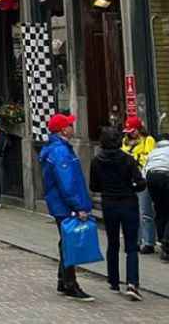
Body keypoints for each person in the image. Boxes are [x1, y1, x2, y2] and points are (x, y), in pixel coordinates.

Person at [38, 113, 95, 302]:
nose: (72, 126)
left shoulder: (58, 148)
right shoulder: (60, 151)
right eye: (70, 124)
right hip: (64, 205)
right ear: (63, 129)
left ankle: (63, 280)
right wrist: (78, 206)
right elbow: (67, 182)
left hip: (60, 203)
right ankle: (70, 283)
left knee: (66, 240)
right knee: (70, 241)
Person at [89, 126, 146, 300]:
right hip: (128, 202)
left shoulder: (97, 161)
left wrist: (106, 188)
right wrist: (133, 187)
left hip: (109, 203)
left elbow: (94, 186)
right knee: (131, 246)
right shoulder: (128, 160)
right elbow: (140, 183)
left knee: (112, 242)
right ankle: (132, 283)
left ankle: (113, 281)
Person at [121, 116, 157, 254]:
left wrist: (136, 161)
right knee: (131, 212)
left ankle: (148, 242)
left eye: (132, 130)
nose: (130, 133)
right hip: (127, 180)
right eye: (128, 131)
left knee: (145, 211)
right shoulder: (125, 141)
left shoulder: (148, 140)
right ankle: (134, 241)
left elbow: (149, 157)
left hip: (141, 178)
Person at [145, 136, 169, 262]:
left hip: (151, 178)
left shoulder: (154, 151)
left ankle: (161, 240)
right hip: (165, 177)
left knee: (160, 210)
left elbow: (146, 167)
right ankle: (167, 243)